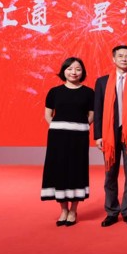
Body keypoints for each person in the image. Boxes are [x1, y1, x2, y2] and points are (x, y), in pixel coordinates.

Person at [94, 45, 127, 227]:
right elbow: (98, 110)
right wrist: (98, 135)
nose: (124, 59)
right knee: (110, 173)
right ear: (113, 58)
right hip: (109, 134)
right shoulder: (102, 82)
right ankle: (111, 211)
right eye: (120, 56)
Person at [41, 57, 94, 226]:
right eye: (70, 69)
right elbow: (48, 115)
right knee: (59, 170)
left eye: (78, 69)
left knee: (76, 169)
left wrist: (79, 127)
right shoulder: (54, 92)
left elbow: (91, 115)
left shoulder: (89, 93)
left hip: (79, 138)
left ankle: (73, 210)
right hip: (58, 138)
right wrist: (60, 127)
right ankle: (63, 209)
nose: (73, 72)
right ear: (63, 71)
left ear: (82, 72)